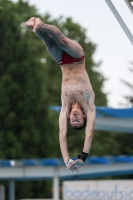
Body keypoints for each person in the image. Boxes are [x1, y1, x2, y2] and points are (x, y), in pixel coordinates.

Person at [25, 17, 96, 172]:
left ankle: (35, 24)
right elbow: (89, 133)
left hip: (62, 62)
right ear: (84, 117)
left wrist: (66, 160)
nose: (75, 119)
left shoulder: (65, 107)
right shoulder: (89, 105)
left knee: (49, 43)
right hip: (77, 58)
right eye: (78, 121)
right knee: (61, 41)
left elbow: (62, 134)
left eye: (73, 122)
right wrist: (83, 156)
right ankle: (41, 24)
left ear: (69, 117)